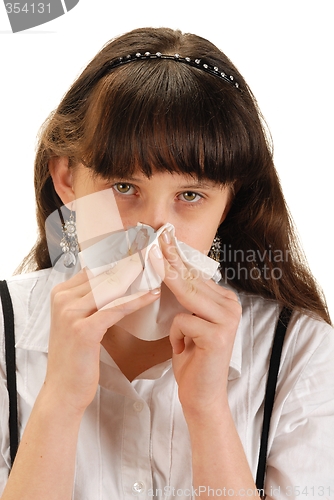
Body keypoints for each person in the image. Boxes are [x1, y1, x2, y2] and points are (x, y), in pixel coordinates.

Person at [0, 27, 333, 500]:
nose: (155, 228)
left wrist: (208, 411)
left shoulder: (300, 351)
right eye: (123, 187)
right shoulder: (3, 330)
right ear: (66, 179)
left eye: (190, 196)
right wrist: (58, 402)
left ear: (228, 204)